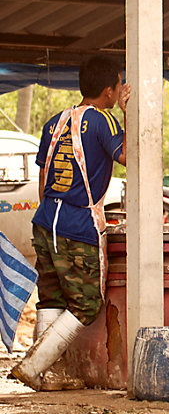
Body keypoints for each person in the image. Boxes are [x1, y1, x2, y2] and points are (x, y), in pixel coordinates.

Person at [13, 55, 130, 391]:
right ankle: (33, 363)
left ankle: (45, 374)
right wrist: (128, 115)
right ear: (109, 92)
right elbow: (129, 155)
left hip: (45, 220)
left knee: (51, 298)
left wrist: (49, 214)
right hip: (77, 225)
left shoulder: (54, 122)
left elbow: (43, 176)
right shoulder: (103, 121)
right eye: (119, 84)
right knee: (87, 303)